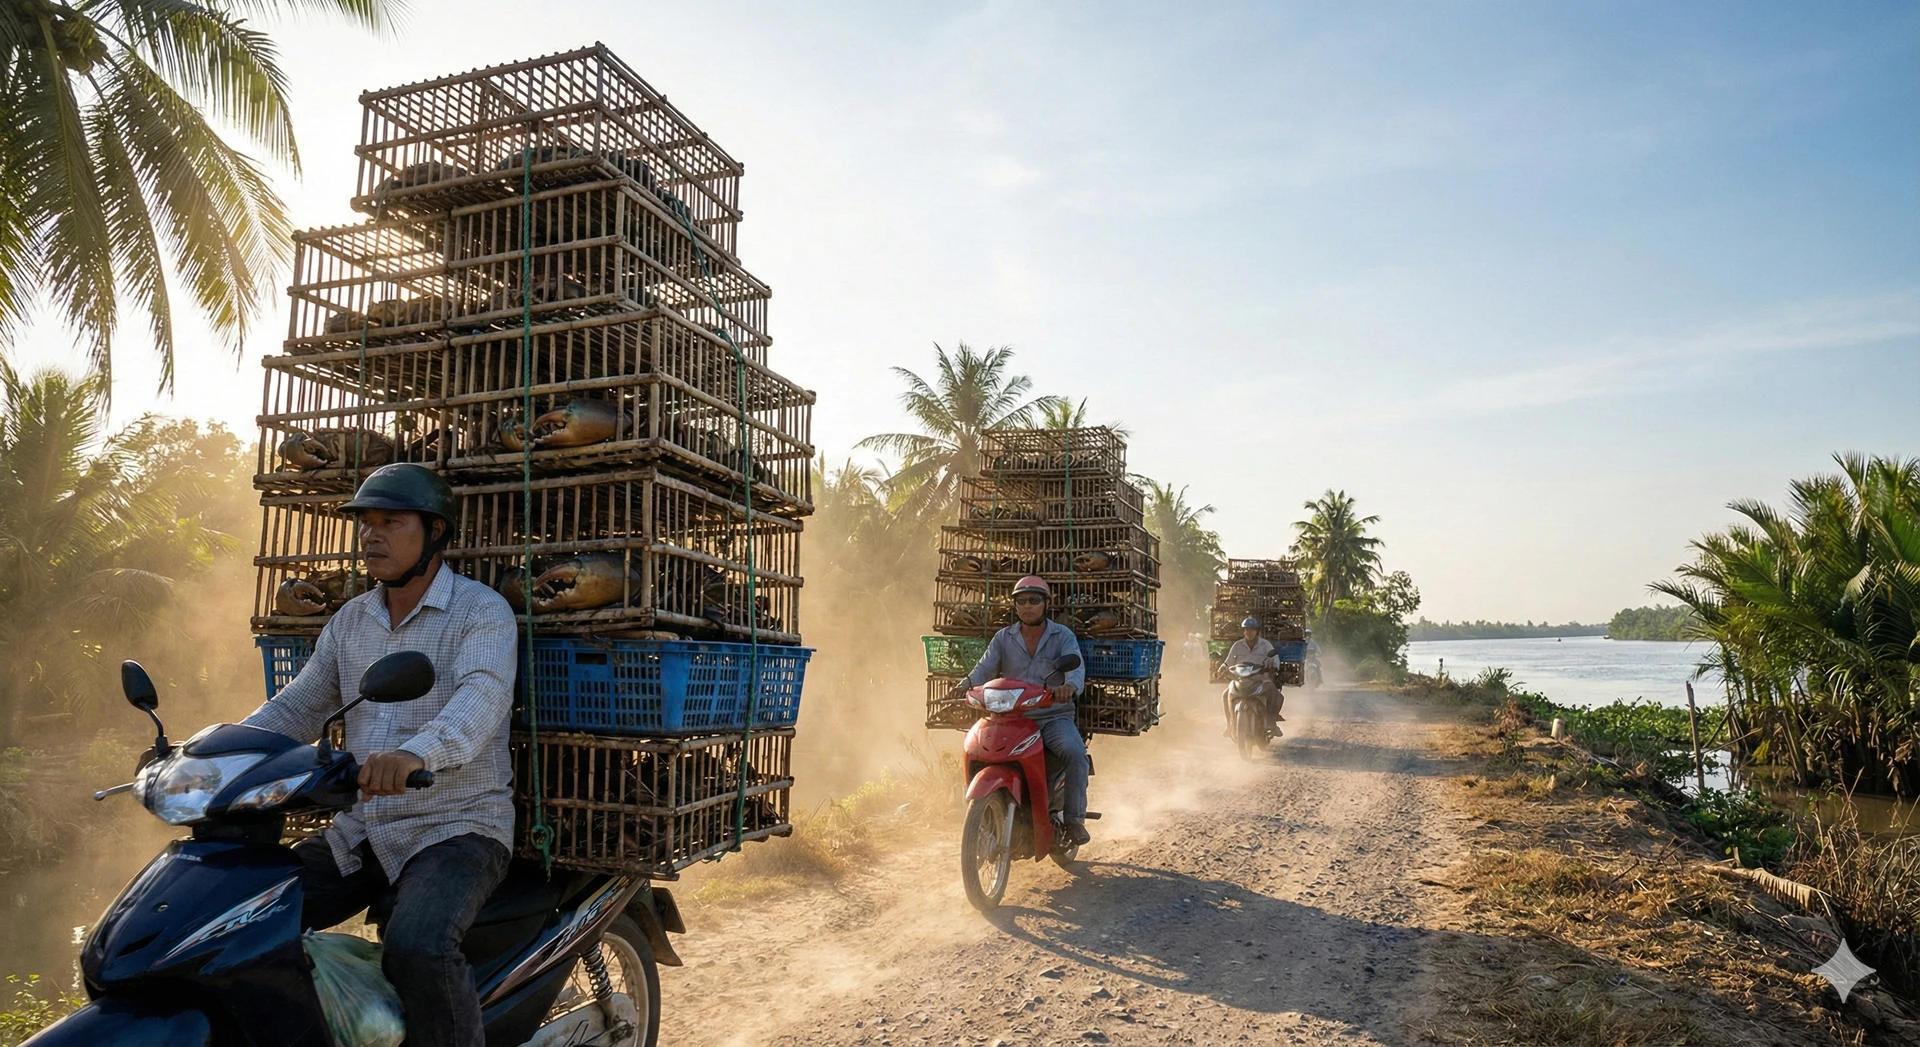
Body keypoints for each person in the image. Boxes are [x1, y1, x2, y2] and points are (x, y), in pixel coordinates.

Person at [243, 464, 517, 1047]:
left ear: (436, 532)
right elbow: (296, 708)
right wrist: (217, 752)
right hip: (363, 827)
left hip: (458, 827)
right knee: (249, 919)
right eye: (366, 524)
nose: (371, 536)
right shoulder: (351, 621)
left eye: (390, 522)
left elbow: (483, 696)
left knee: (417, 945)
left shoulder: (481, 611)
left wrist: (417, 754)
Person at [952, 575, 1092, 846]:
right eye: (1022, 601)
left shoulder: (1062, 636)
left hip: (1052, 716)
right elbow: (984, 668)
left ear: (1045, 605)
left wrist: (1069, 687)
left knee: (1075, 754)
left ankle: (1075, 820)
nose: (1028, 606)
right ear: (1015, 606)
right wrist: (965, 684)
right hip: (1012, 718)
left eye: (1034, 600)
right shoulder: (1004, 638)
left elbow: (1075, 670)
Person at [1222, 617, 1285, 730]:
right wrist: (1222, 668)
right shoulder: (1237, 645)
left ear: (1256, 631)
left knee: (1276, 694)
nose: (1248, 632)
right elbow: (1228, 662)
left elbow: (1274, 659)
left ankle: (1271, 722)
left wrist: (1273, 667)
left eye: (1251, 630)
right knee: (1225, 695)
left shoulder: (1265, 645)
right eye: (1246, 630)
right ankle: (1229, 724)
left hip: (1260, 679)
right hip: (1239, 679)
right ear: (1243, 631)